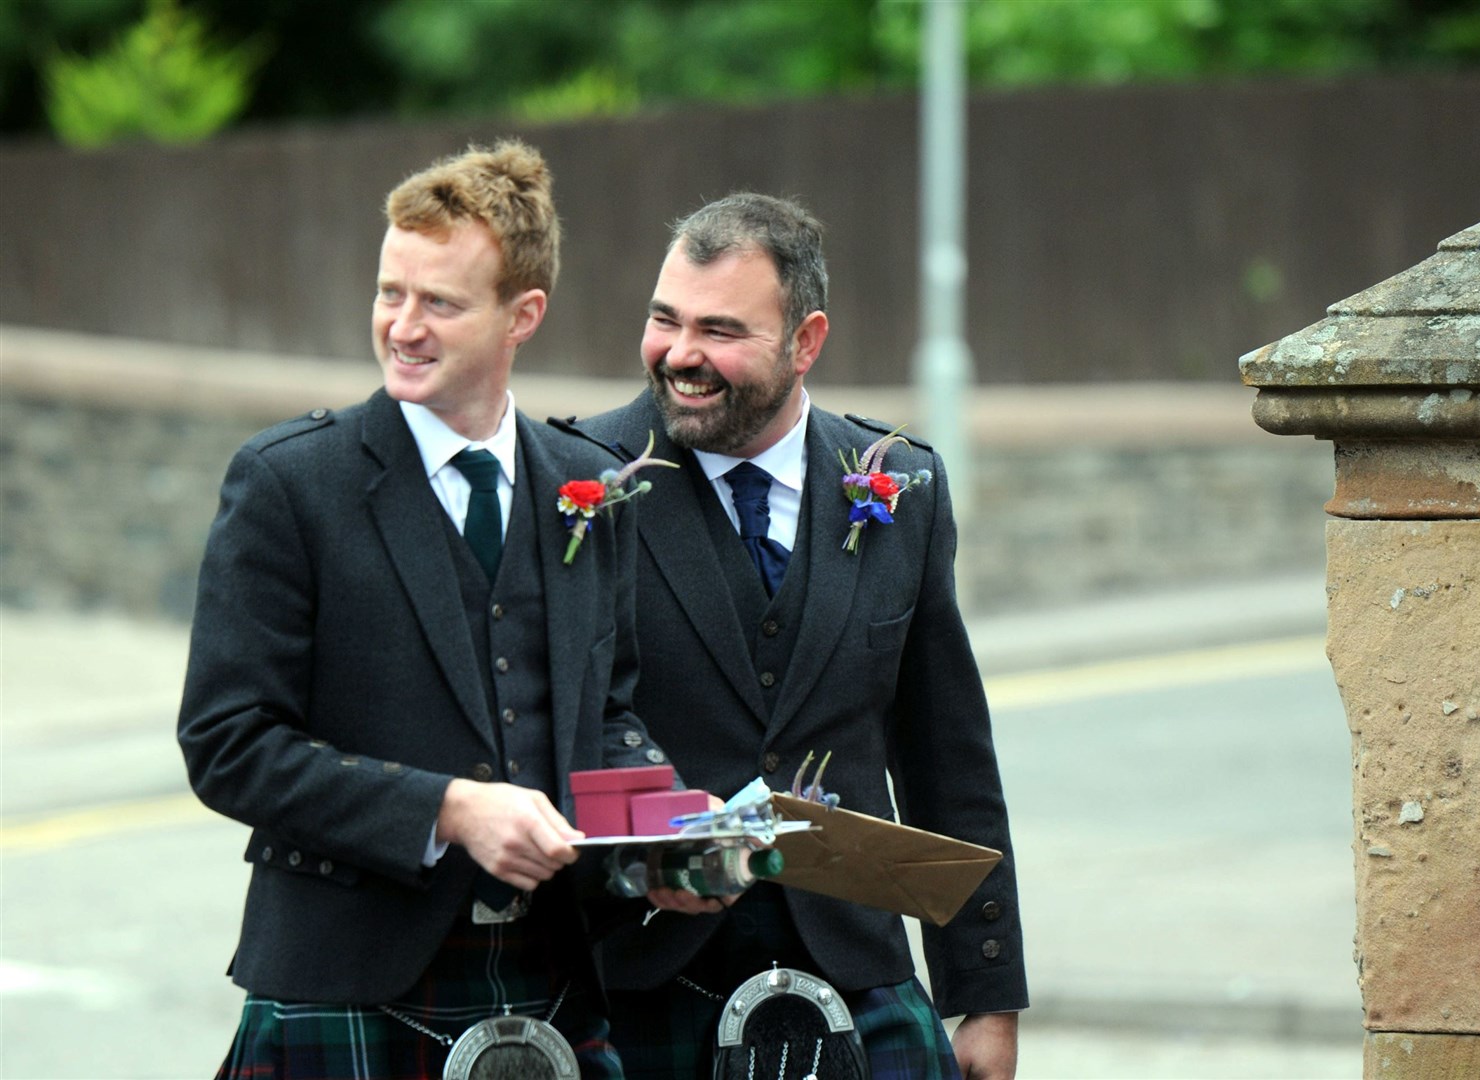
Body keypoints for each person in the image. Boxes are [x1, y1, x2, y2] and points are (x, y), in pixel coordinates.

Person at [178, 139, 669, 1079]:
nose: (402, 326)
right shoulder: (291, 484)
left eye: (439, 302)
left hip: (551, 978)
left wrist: (667, 839)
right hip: (348, 978)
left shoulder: (590, 486)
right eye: (388, 292)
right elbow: (227, 743)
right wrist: (445, 809)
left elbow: (605, 715)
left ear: (522, 314)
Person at [578, 193, 1027, 1079]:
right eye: (664, 319)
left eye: (720, 330)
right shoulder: (580, 483)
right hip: (641, 980)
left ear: (806, 341)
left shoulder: (902, 487)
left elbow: (948, 759)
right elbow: (565, 727)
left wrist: (985, 995)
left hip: (857, 974)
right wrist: (660, 830)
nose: (680, 355)